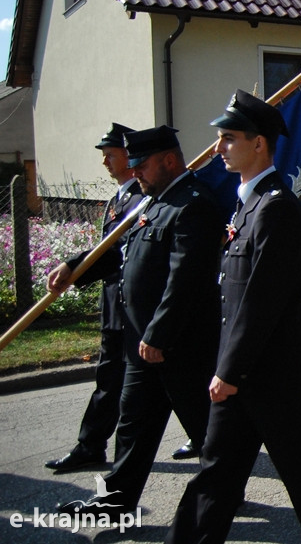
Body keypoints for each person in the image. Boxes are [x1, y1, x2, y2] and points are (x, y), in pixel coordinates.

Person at [167, 90, 301, 544]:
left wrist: (228, 370)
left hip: (269, 377)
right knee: (216, 474)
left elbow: (261, 302)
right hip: (242, 375)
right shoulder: (249, 204)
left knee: (300, 472)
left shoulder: (277, 209)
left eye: (228, 138)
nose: (219, 147)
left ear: (259, 143)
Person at [58, 126, 223, 516]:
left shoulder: (193, 204)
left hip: (178, 346)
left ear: (169, 160)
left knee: (207, 431)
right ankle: (114, 503)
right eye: (132, 166)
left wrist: (159, 333)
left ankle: (224, 493)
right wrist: (74, 267)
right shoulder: (152, 202)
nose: (135, 174)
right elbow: (120, 252)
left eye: (142, 165)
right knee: (133, 427)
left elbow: (186, 278)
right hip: (143, 344)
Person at [44, 123, 143, 472]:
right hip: (115, 308)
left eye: (111, 155)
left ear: (130, 157)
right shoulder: (117, 199)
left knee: (167, 384)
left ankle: (212, 444)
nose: (105, 162)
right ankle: (91, 445)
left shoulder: (141, 199)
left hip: (137, 309)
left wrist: (74, 267)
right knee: (110, 379)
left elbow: (115, 251)